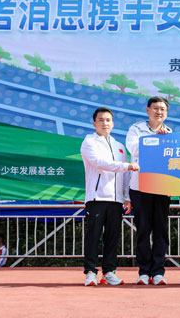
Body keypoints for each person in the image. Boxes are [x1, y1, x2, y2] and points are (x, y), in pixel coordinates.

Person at [81, 107, 139, 287]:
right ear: (94, 123)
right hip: (97, 198)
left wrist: (127, 197)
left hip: (116, 201)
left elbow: (125, 176)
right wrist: (126, 166)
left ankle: (109, 272)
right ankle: (91, 272)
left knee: (112, 238)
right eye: (101, 120)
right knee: (94, 237)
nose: (105, 123)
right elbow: (99, 163)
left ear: (112, 123)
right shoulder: (89, 142)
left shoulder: (119, 146)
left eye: (108, 120)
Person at [126, 96, 172, 285]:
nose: (159, 112)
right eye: (155, 108)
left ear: (166, 113)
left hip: (161, 187)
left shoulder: (169, 133)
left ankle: (158, 271)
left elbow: (171, 162)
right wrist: (156, 140)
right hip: (140, 186)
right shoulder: (136, 129)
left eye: (162, 109)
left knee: (161, 230)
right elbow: (134, 149)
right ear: (147, 110)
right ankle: (144, 271)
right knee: (143, 229)